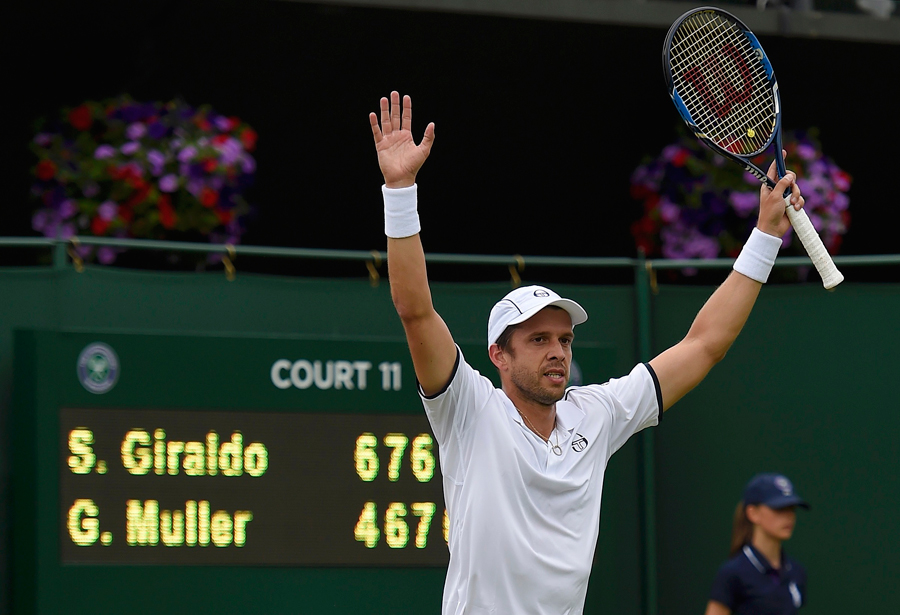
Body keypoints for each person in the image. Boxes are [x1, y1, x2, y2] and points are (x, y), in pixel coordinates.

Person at [369, 91, 806, 615]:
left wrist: (763, 237)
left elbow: (704, 344)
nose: (556, 351)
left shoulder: (595, 414)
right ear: (498, 356)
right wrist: (400, 189)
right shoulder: (468, 409)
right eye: (537, 339)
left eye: (563, 339)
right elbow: (415, 310)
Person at [705, 473, 810, 615]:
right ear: (752, 513)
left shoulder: (796, 572)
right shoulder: (732, 574)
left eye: (791, 509)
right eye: (779, 508)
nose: (789, 516)